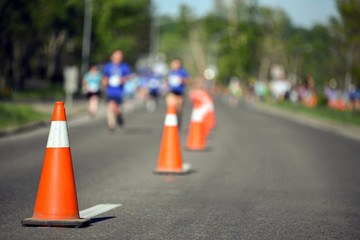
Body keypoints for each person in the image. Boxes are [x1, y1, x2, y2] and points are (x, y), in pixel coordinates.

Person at [102, 50, 131, 131]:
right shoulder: (108, 66)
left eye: (119, 56)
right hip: (110, 90)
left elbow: (128, 77)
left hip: (119, 92)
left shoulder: (124, 67)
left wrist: (121, 80)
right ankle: (111, 125)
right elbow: (105, 77)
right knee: (110, 106)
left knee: (117, 108)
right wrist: (105, 83)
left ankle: (119, 115)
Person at [166, 58, 189, 128]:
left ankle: (178, 121)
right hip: (172, 92)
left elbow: (187, 81)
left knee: (179, 109)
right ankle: (172, 122)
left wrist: (181, 79)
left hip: (180, 93)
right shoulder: (170, 72)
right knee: (172, 106)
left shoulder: (183, 72)